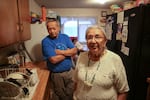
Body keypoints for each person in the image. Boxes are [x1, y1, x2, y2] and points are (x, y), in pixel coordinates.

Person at [73, 25, 129, 100]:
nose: (93, 41)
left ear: (105, 41)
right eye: (89, 37)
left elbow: (123, 91)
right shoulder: (81, 56)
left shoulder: (115, 59)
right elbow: (76, 82)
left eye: (97, 37)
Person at [42, 18, 77, 100]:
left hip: (70, 71)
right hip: (57, 75)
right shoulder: (46, 41)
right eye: (49, 29)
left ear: (58, 28)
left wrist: (60, 52)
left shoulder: (65, 37)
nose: (52, 31)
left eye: (54, 28)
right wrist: (68, 52)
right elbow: (53, 60)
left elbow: (75, 50)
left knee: (71, 93)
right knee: (60, 95)